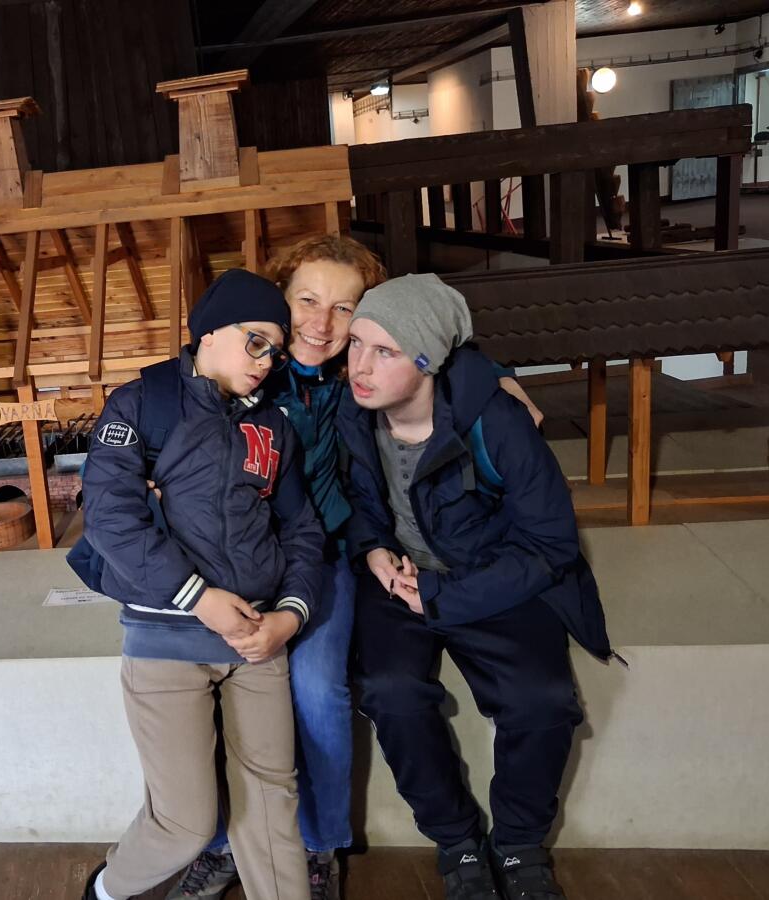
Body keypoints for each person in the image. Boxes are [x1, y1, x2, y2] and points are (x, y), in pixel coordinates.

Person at [167, 238, 546, 900]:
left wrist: (495, 372)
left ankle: (319, 845)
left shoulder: (361, 372)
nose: (321, 323)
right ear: (277, 302)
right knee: (217, 683)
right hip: (229, 556)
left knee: (319, 689)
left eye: (344, 309)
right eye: (306, 301)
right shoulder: (249, 364)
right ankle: (224, 841)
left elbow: (439, 349)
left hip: (324, 553)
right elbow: (181, 374)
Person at [338, 274, 615, 900]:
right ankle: (457, 842)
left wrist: (446, 598)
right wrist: (374, 548)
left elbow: (551, 543)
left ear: (427, 362)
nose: (359, 365)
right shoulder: (354, 413)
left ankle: (518, 845)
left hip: (489, 575)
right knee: (389, 691)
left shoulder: (498, 422)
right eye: (356, 343)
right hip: (398, 579)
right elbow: (359, 499)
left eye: (384, 351)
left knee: (542, 701)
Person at [78, 268, 325, 900]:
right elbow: (110, 519)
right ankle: (106, 892)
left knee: (271, 805)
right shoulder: (142, 405)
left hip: (256, 641)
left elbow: (301, 528)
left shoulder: (273, 427)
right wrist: (198, 597)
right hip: (165, 638)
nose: (266, 361)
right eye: (255, 342)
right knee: (185, 823)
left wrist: (290, 614)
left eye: (276, 350)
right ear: (209, 333)